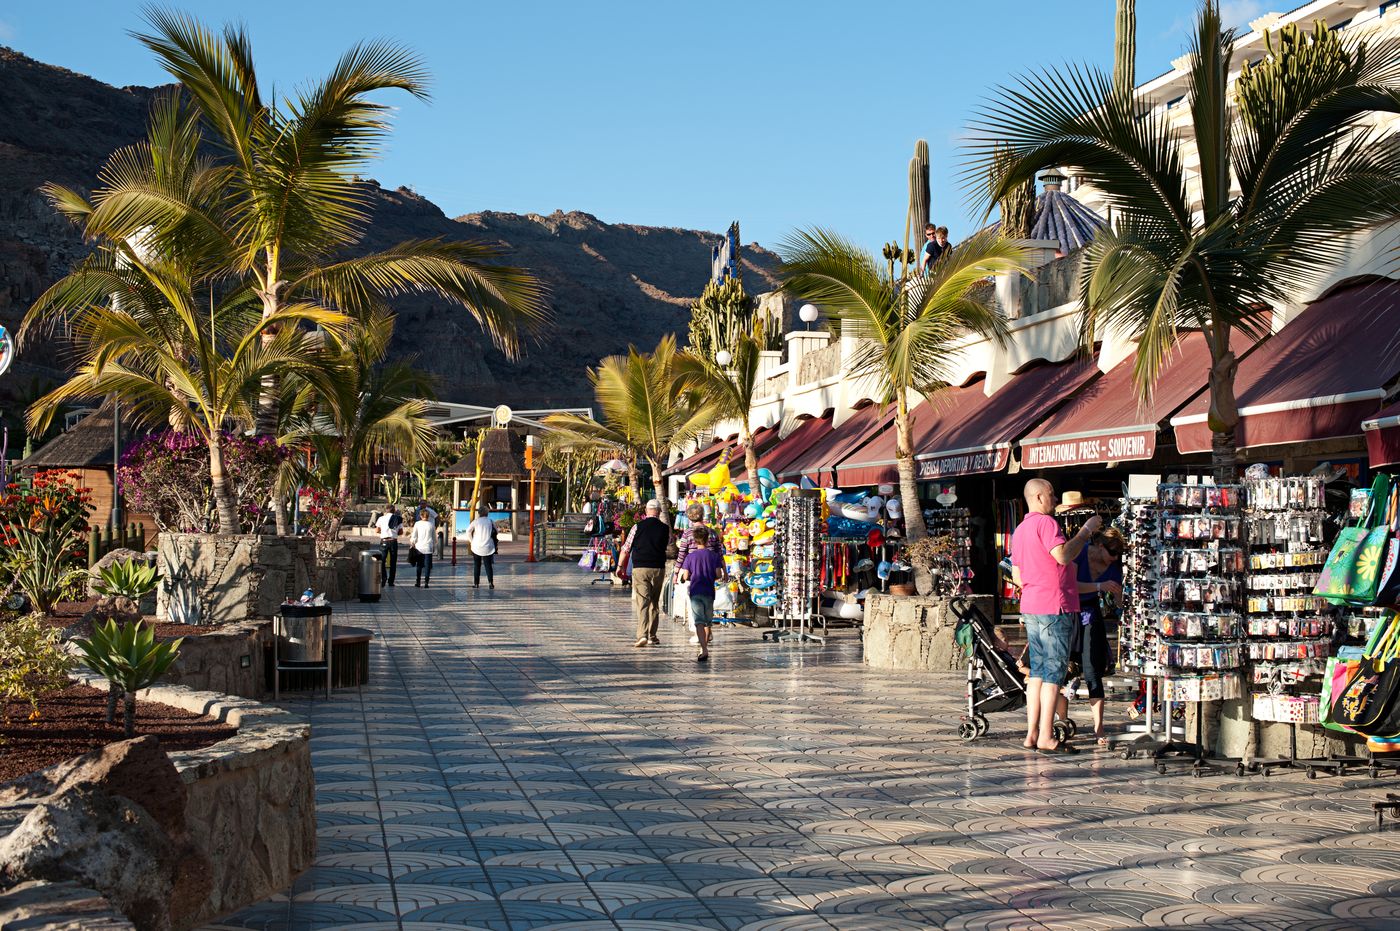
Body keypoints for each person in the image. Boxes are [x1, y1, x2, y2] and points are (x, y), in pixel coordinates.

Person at [1010, 479, 1100, 754]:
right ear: (1038, 497)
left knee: (1037, 671)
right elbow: (1061, 555)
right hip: (1053, 606)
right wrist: (1085, 532)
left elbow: (1017, 575)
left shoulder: (1020, 530)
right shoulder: (1046, 524)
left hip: (1032, 605)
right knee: (1053, 673)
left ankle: (1032, 733)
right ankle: (1047, 737)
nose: (1054, 498)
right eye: (1051, 494)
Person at [1074, 528, 1124, 746]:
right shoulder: (1079, 552)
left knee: (1092, 669)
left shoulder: (1114, 567)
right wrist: (1098, 586)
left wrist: (1119, 596)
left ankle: (1099, 726)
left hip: (1091, 614)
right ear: (1101, 545)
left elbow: (1120, 603)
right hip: (1068, 611)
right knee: (1063, 668)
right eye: (1112, 552)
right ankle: (1061, 720)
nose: (1115, 557)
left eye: (1119, 554)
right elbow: (1068, 586)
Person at [620, 499, 670, 648]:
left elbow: (626, 548)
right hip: (658, 568)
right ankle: (652, 636)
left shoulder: (637, 527)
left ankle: (642, 635)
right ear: (659, 512)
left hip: (640, 568)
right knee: (654, 603)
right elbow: (667, 545)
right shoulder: (665, 528)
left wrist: (619, 565)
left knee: (642, 602)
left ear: (646, 511)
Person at [677, 525, 726, 662]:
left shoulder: (690, 557)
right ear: (707, 539)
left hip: (695, 591)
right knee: (708, 621)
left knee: (699, 621)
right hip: (709, 591)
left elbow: (686, 576)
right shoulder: (714, 556)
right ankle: (705, 644)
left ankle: (704, 649)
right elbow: (718, 574)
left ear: (695, 540)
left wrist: (684, 577)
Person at [467, 504, 498, 589]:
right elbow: (497, 531)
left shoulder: (476, 521)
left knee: (477, 565)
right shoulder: (491, 521)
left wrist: (471, 541)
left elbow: (468, 531)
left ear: (479, 513)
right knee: (488, 565)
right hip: (488, 546)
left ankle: (476, 583)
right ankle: (490, 583)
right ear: (487, 513)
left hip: (476, 546)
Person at [375, 505, 403, 586]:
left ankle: (383, 578)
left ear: (386, 510)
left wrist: (384, 532)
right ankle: (391, 581)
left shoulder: (381, 518)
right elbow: (401, 532)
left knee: (382, 561)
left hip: (384, 541)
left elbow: (377, 530)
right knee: (393, 562)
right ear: (394, 511)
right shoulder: (398, 518)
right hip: (393, 541)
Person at [409, 507, 436, 588]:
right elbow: (434, 538)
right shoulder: (431, 525)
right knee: (428, 566)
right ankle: (426, 582)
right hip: (428, 548)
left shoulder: (417, 524)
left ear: (421, 516)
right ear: (428, 516)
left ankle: (418, 582)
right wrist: (433, 546)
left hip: (419, 548)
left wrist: (412, 543)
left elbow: (414, 536)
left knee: (419, 565)